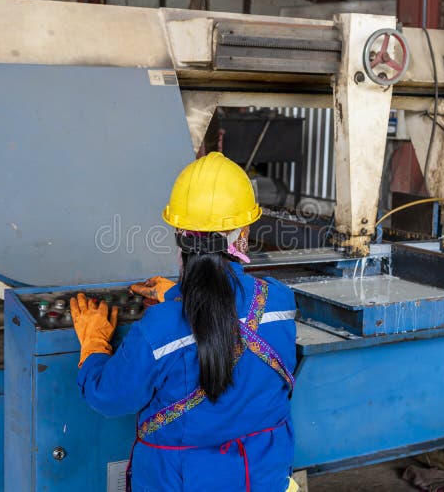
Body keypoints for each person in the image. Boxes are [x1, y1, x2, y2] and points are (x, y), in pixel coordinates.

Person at [71, 152, 298, 491]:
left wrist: (94, 345)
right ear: (244, 235)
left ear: (179, 235)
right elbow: (228, 312)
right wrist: (178, 293)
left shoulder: (159, 329)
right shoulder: (280, 302)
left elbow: (109, 397)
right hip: (263, 479)